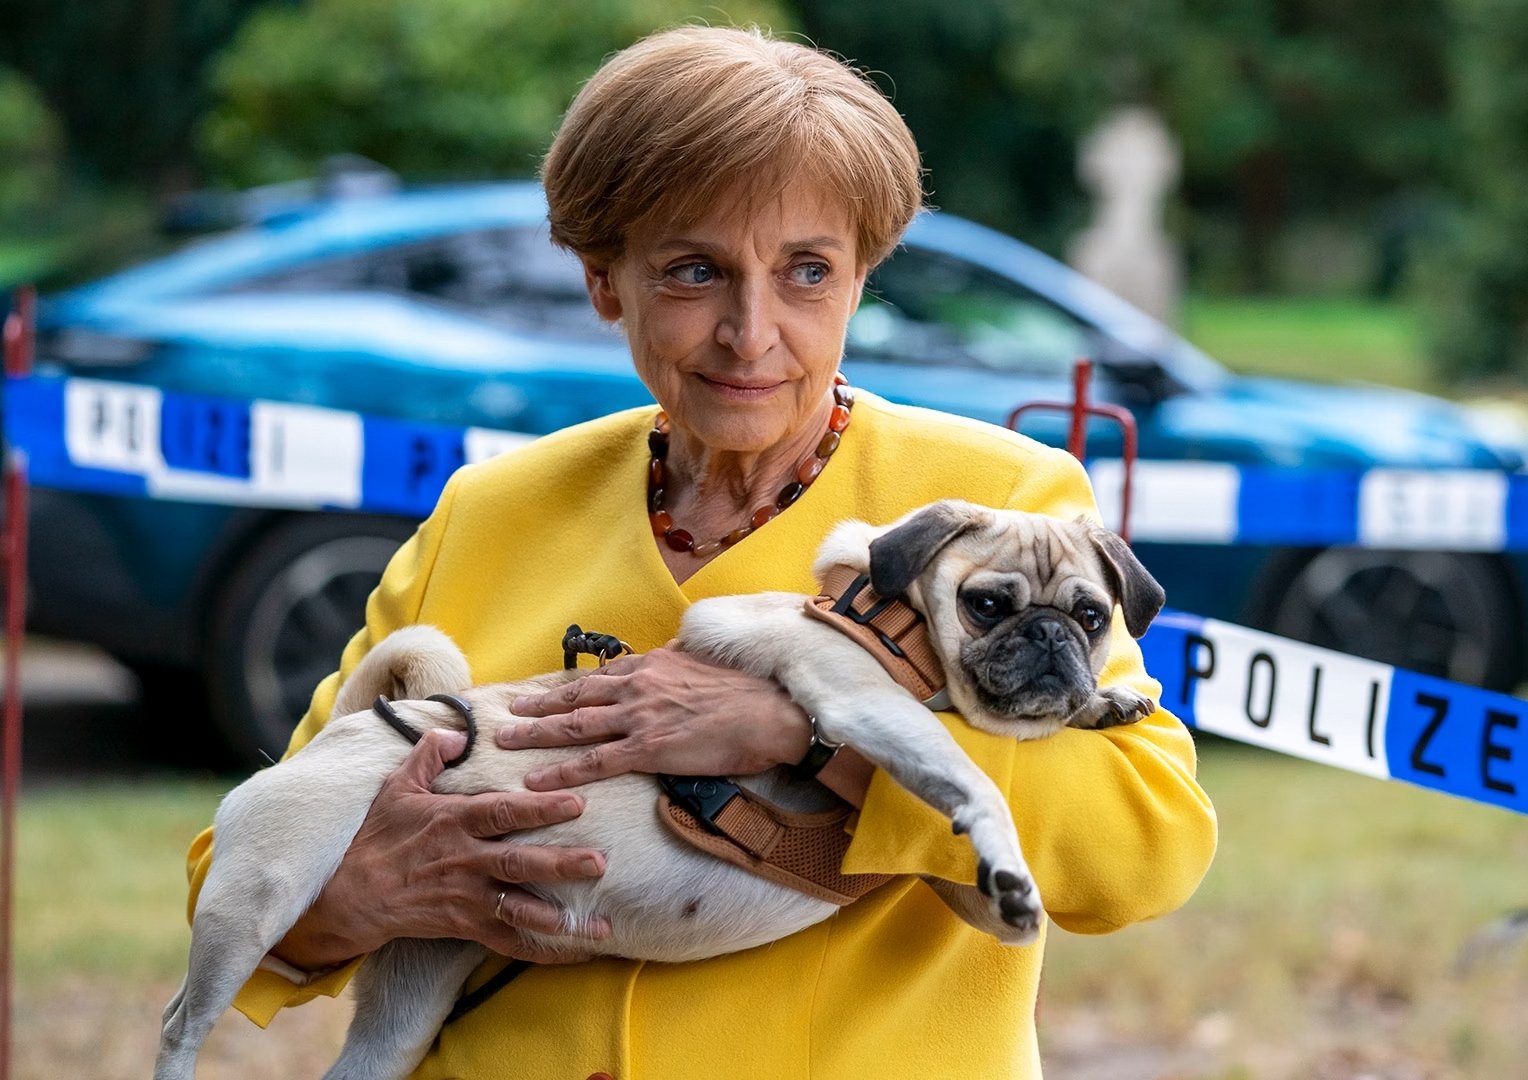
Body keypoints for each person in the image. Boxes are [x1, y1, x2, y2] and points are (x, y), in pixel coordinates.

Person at [182, 24, 1216, 1079]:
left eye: (808, 271)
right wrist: (362, 896)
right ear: (603, 281)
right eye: (693, 272)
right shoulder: (492, 510)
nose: (751, 331)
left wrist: (804, 734)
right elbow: (249, 855)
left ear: (863, 278)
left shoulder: (996, 504)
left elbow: (1148, 846)